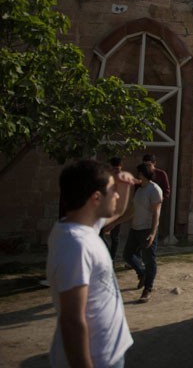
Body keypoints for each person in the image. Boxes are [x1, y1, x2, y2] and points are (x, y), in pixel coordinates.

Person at [46, 158, 137, 368]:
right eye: (111, 190)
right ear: (96, 198)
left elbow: (118, 211)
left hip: (107, 354)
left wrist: (123, 186)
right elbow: (72, 320)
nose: (116, 195)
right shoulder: (75, 245)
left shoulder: (84, 227)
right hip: (97, 360)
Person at [123, 162, 162, 303]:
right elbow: (132, 211)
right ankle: (142, 273)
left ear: (143, 174)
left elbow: (156, 213)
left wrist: (152, 232)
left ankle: (147, 289)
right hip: (135, 229)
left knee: (149, 260)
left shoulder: (154, 189)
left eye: (138, 173)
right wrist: (116, 222)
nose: (136, 176)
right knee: (127, 255)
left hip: (146, 229)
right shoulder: (139, 190)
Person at [101, 157, 124, 260]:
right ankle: (106, 257)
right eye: (114, 169)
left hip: (116, 212)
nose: (116, 172)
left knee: (115, 238)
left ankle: (112, 260)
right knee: (100, 235)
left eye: (118, 170)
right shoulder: (106, 180)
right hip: (104, 212)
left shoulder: (122, 181)